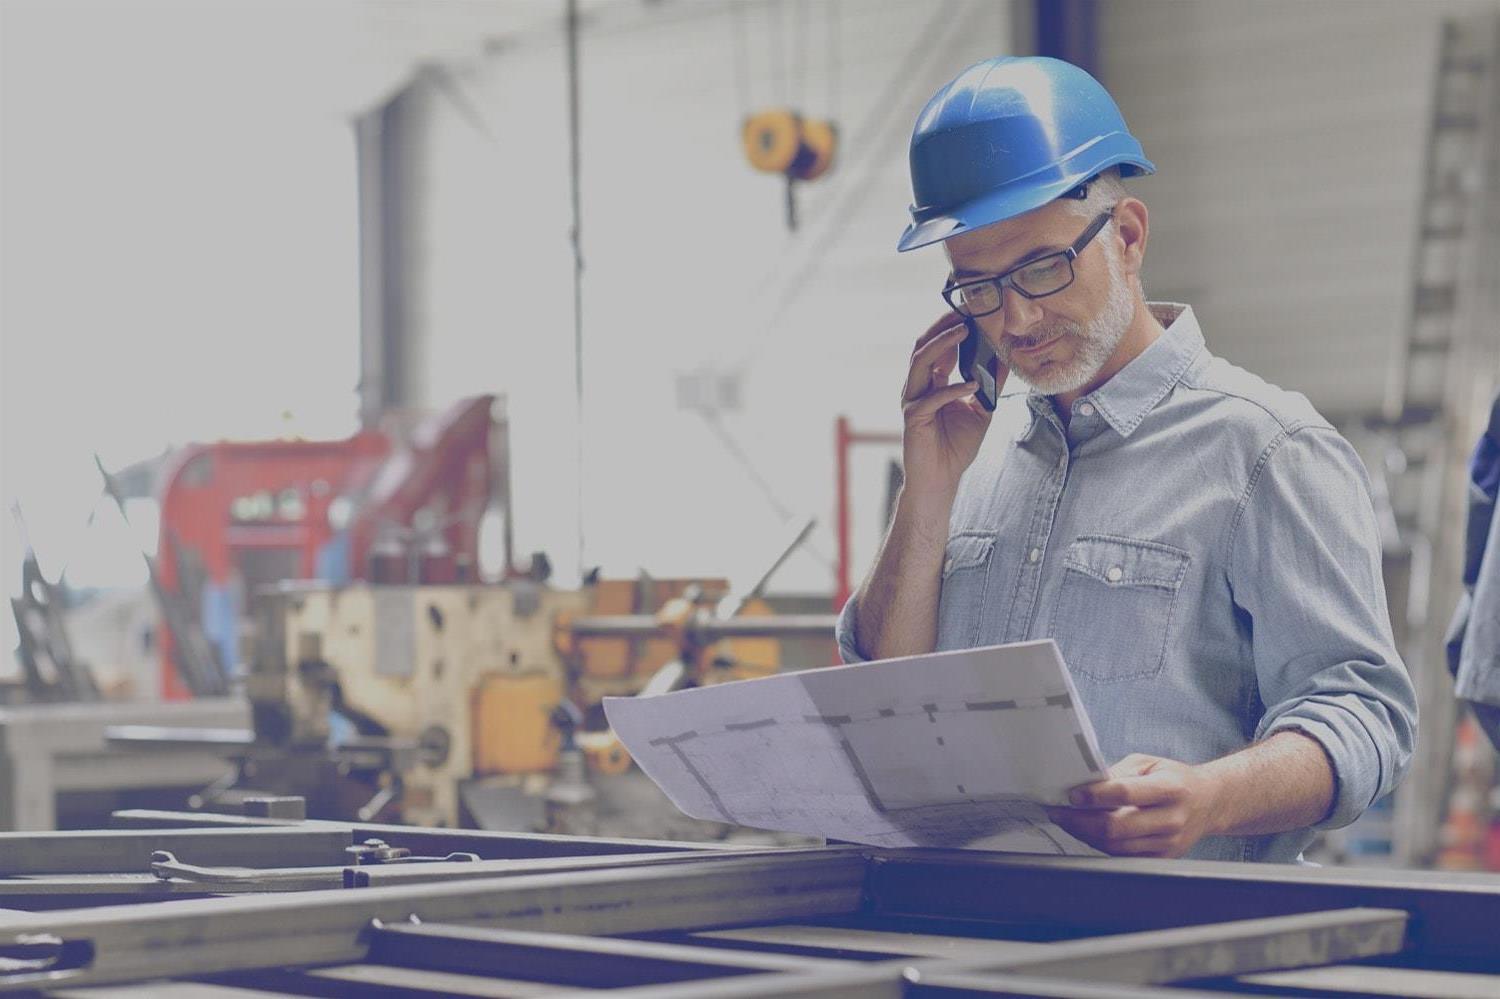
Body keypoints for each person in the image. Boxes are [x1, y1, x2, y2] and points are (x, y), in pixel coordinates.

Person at [836, 56, 1417, 862]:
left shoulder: (1267, 450)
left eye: (1042, 266)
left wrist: (1212, 798)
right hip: (957, 942)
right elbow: (886, 705)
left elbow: (1364, 715)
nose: (1016, 317)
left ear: (1129, 236)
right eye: (978, 287)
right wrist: (927, 495)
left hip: (1161, 957)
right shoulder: (970, 451)